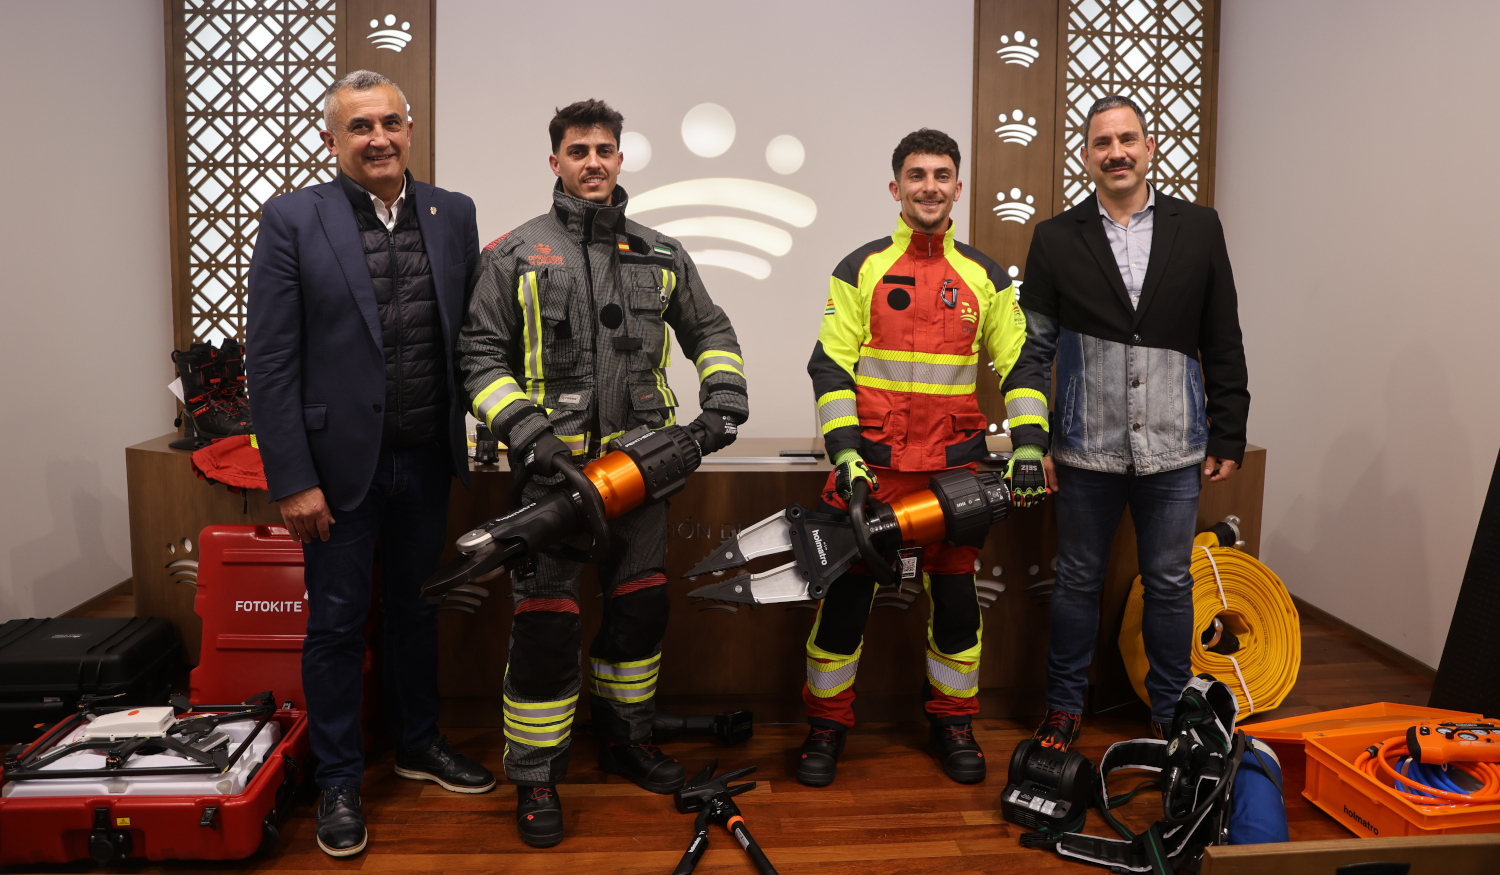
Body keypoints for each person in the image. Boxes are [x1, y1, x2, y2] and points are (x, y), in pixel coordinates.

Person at [457, 99, 748, 847]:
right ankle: (535, 775)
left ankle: (626, 740)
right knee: (546, 628)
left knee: (639, 613)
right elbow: (478, 358)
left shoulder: (660, 252)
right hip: (551, 484)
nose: (593, 162)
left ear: (621, 159)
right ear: (554, 161)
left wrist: (723, 399)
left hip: (643, 477)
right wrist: (533, 437)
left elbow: (709, 327)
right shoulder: (513, 254)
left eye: (605, 150)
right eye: (579, 150)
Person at [246, 70, 494, 859]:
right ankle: (340, 779)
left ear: (409, 129)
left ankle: (418, 743)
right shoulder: (293, 218)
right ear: (333, 139)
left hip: (426, 458)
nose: (378, 138)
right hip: (335, 470)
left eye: (390, 122)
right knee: (336, 623)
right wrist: (292, 477)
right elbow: (270, 362)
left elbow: (470, 337)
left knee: (416, 611)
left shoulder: (453, 213)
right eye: (360, 126)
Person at [796, 128, 1050, 788]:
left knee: (959, 607)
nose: (929, 187)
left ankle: (953, 723)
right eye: (917, 175)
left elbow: (1021, 363)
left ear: (958, 188)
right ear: (896, 187)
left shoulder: (986, 277)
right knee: (844, 606)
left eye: (941, 175)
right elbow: (831, 367)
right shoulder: (860, 268)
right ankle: (826, 725)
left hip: (953, 471)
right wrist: (846, 456)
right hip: (872, 471)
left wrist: (1029, 443)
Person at [1014, 95, 1250, 752]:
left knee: (1170, 583)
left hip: (1175, 443)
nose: (1115, 152)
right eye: (1102, 142)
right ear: (1086, 156)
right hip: (1084, 446)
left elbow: (1222, 334)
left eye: (1127, 139)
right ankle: (1064, 706)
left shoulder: (1198, 227)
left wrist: (1229, 429)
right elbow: (1033, 349)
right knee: (1076, 580)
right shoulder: (1055, 238)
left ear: (1149, 147)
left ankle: (1170, 708)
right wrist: (1033, 440)